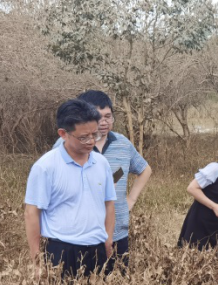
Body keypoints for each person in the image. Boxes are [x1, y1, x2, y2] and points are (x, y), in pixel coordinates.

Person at [54, 90, 152, 273]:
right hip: (79, 234)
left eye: (108, 116)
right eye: (99, 117)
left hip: (117, 230)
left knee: (116, 283)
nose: (104, 122)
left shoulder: (122, 143)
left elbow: (144, 169)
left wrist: (131, 200)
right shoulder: (66, 145)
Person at [25, 99, 117, 277]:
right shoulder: (45, 167)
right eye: (83, 137)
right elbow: (31, 213)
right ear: (63, 134)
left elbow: (109, 204)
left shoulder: (102, 163)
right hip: (62, 252)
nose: (91, 141)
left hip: (97, 249)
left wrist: (108, 239)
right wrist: (36, 262)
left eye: (94, 134)